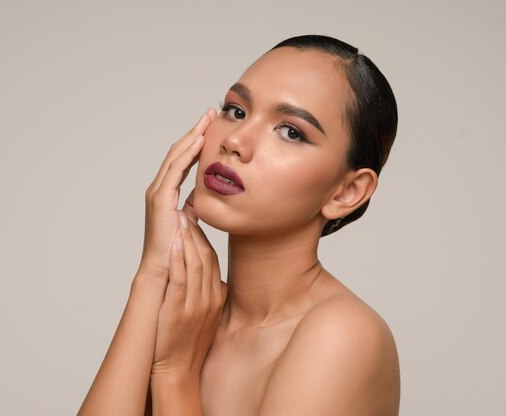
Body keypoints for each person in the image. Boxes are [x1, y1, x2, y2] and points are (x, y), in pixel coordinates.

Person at [78, 34, 400, 416]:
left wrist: (174, 375)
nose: (236, 141)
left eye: (291, 131)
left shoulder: (343, 335)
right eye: (236, 110)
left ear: (346, 192)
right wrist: (151, 275)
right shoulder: (189, 314)